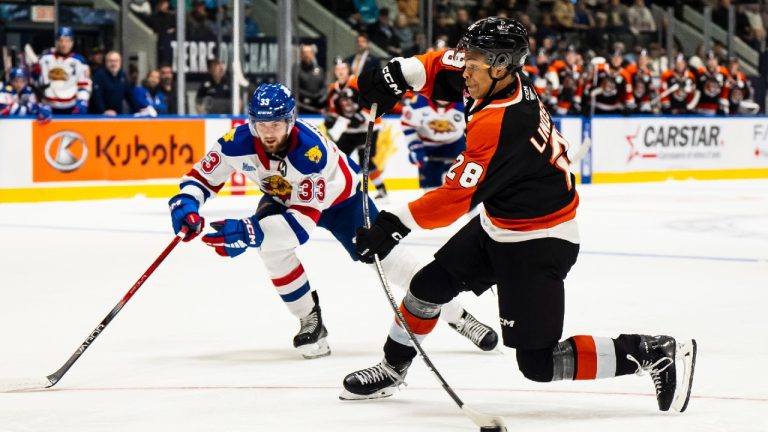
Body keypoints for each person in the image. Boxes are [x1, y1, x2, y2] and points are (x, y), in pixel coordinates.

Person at [339, 17, 697, 415]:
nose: (465, 73)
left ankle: (650, 351)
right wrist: (399, 73)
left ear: (500, 66)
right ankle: (392, 368)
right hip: (500, 223)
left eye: (473, 66)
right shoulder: (496, 74)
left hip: (540, 240)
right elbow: (443, 65)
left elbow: (456, 198)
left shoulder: (504, 122)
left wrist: (393, 225)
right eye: (468, 62)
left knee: (538, 363)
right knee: (426, 287)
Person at [168, 83, 498, 360]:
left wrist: (250, 231)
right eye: (261, 125)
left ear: (291, 120)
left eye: (276, 125)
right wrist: (186, 202)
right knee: (271, 250)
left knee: (389, 262)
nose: (268, 134)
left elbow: (299, 229)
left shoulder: (310, 153)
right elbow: (202, 177)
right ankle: (310, 320)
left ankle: (459, 316)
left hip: (344, 202)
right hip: (286, 197)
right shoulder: (235, 142)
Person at [399, 94, 466, 190]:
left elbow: (474, 128)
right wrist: (415, 147)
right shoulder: (417, 103)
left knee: (461, 185)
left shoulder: (465, 104)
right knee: (430, 189)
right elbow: (407, 125)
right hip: (427, 147)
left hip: (455, 144)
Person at [33, 27, 91, 114]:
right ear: (56, 42)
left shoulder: (80, 61)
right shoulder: (44, 58)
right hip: (48, 107)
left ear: (72, 42)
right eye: (61, 40)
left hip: (72, 107)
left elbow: (84, 84)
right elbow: (37, 83)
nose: (64, 44)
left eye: (67, 41)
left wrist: (82, 100)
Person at [90, 51, 136, 115]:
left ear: (120, 62)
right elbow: (97, 96)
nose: (113, 64)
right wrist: (103, 111)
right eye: (110, 61)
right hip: (99, 116)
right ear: (106, 62)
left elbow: (129, 96)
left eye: (116, 61)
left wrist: (138, 110)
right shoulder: (99, 75)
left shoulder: (123, 75)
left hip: (117, 115)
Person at [294, 44, 327, 114]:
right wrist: (310, 96)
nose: (307, 55)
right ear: (301, 55)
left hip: (317, 107)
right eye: (304, 53)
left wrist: (318, 96)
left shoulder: (319, 69)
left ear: (313, 54)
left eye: (309, 52)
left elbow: (324, 86)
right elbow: (294, 87)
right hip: (301, 107)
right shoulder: (296, 69)